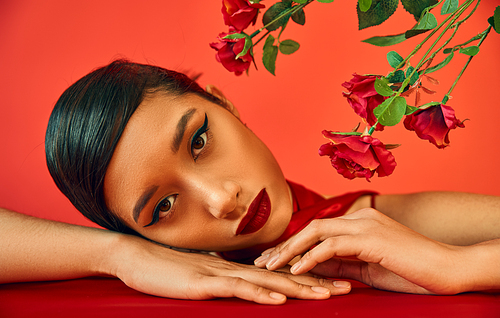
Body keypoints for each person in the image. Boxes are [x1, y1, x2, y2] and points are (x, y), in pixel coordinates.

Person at [1, 60, 499, 304]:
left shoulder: (368, 224)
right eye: (164, 207)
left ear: (226, 105)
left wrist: (458, 266)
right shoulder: (132, 260)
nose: (222, 200)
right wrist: (116, 255)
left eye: (198, 140)